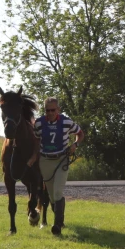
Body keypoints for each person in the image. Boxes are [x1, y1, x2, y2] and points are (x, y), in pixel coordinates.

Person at [33, 97, 84, 235]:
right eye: (47, 110)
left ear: (58, 109)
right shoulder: (39, 123)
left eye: (52, 110)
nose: (50, 113)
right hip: (45, 161)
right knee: (51, 195)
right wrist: (34, 156)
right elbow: (36, 139)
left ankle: (57, 226)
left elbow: (80, 133)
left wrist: (75, 145)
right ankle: (60, 220)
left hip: (62, 159)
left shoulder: (67, 122)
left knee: (57, 193)